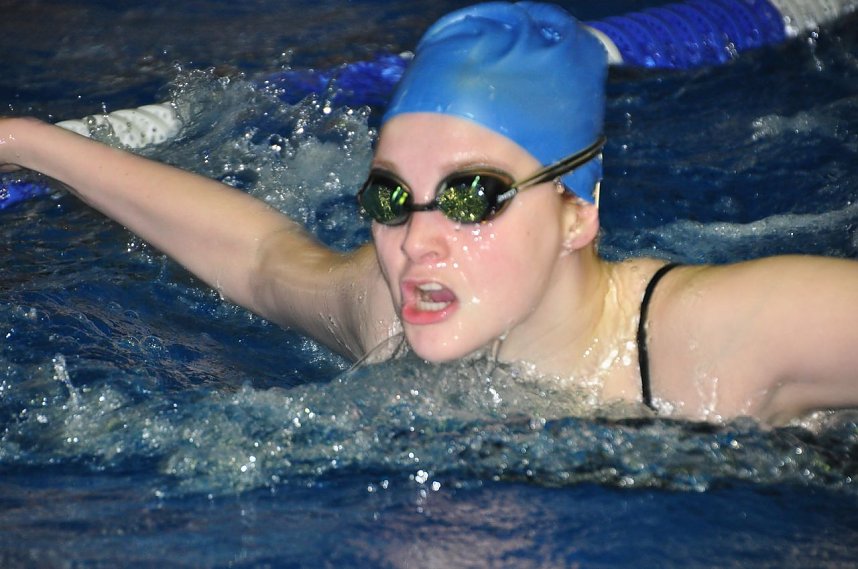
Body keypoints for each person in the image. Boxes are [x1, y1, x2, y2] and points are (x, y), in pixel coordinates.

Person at [1, 2, 856, 425]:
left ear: (577, 213)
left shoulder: (716, 336)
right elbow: (263, 259)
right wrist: (32, 144)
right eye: (388, 197)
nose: (415, 241)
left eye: (472, 195)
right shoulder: (392, 316)